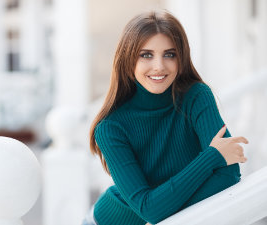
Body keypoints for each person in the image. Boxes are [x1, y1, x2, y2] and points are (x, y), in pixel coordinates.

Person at [82, 10, 249, 225]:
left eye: (169, 54)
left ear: (181, 58)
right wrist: (211, 157)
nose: (159, 66)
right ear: (128, 59)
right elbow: (149, 210)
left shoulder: (196, 97)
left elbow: (229, 175)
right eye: (146, 55)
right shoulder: (110, 128)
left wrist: (161, 204)